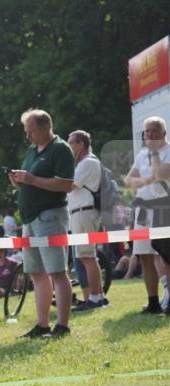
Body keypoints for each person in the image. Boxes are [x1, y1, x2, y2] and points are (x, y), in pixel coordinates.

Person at [9, 109, 75, 339]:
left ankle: (63, 325)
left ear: (46, 127)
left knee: (57, 271)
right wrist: (20, 181)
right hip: (29, 219)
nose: (28, 136)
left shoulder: (61, 149)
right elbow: (32, 182)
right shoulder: (31, 150)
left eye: (31, 131)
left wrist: (31, 179)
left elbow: (66, 185)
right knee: (37, 273)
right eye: (26, 132)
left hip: (50, 216)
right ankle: (42, 324)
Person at [125, 116, 170, 314]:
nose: (149, 135)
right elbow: (129, 180)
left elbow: (160, 175)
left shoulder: (168, 151)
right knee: (144, 255)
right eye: (146, 131)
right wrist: (147, 180)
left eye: (153, 130)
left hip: (163, 208)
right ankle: (153, 302)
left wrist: (153, 156)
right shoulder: (142, 154)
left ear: (164, 133)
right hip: (143, 210)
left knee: (166, 256)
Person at [67, 131, 108, 312]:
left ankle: (94, 298)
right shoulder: (87, 162)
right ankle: (98, 296)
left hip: (84, 212)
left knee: (87, 256)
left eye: (71, 143)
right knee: (89, 256)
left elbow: (69, 185)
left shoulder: (87, 163)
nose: (69, 147)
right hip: (83, 212)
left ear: (81, 144)